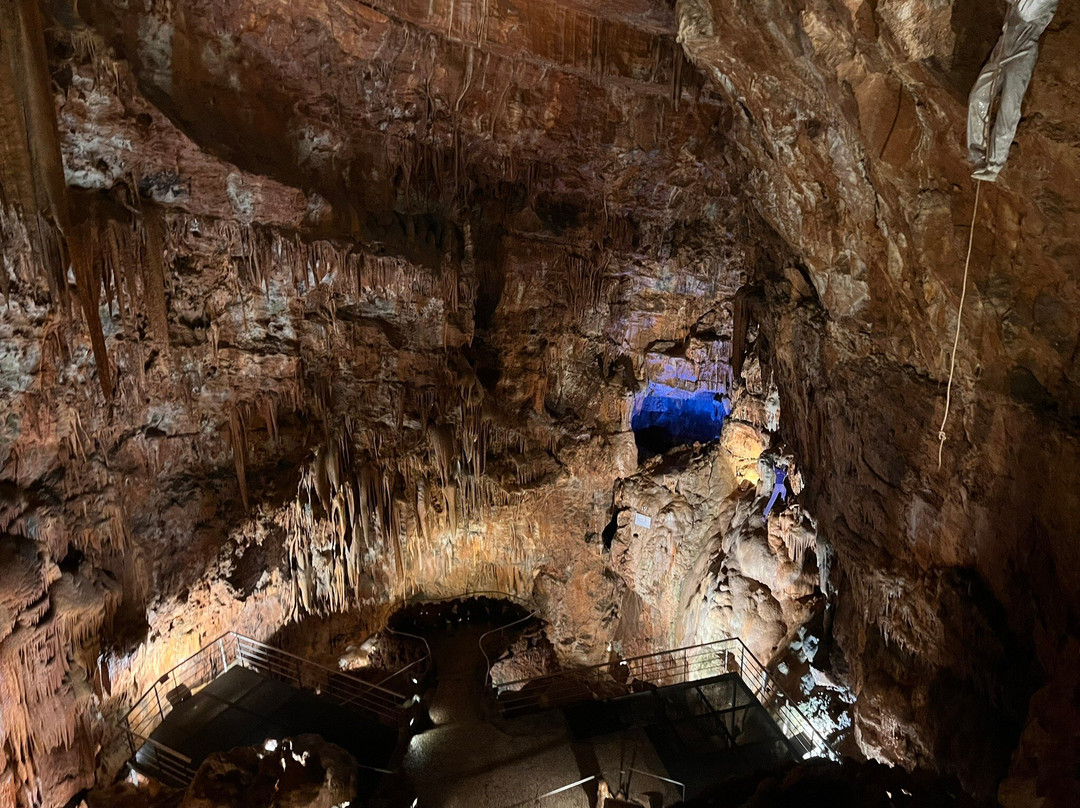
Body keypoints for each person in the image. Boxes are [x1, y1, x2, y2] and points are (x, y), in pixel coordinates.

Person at [967, 0, 1058, 182]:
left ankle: (994, 164)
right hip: (1003, 48)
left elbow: (1026, 12)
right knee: (978, 97)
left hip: (1022, 56)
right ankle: (977, 154)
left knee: (1009, 111)